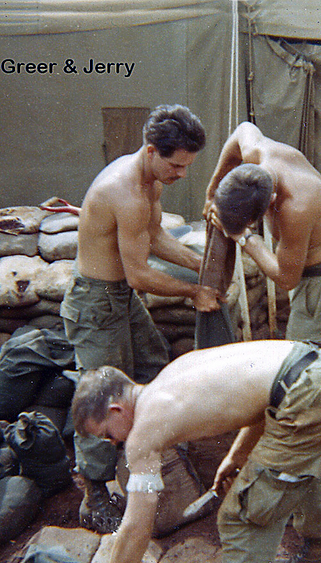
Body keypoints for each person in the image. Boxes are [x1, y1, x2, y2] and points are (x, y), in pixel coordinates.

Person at [72, 339, 321, 563]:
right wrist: (237, 455)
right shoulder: (171, 375)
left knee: (240, 518)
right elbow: (270, 393)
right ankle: (319, 554)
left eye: (107, 434)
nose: (113, 443)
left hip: (312, 394)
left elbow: (136, 528)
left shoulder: (142, 435)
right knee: (307, 470)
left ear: (115, 410)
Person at [60, 104, 221, 534]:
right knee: (98, 395)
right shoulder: (126, 191)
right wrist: (194, 290)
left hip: (121, 298)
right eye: (177, 165)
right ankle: (94, 495)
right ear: (152, 151)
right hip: (96, 304)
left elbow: (155, 236)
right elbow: (140, 272)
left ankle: (166, 454)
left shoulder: (150, 183)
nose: (182, 174)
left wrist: (199, 264)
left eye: (188, 165)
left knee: (153, 367)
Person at [204, 122, 321, 494]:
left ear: (267, 208)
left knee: (320, 374)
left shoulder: (297, 205)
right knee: (320, 370)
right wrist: (214, 188)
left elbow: (285, 277)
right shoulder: (257, 154)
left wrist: (244, 238)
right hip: (313, 284)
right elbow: (239, 131)